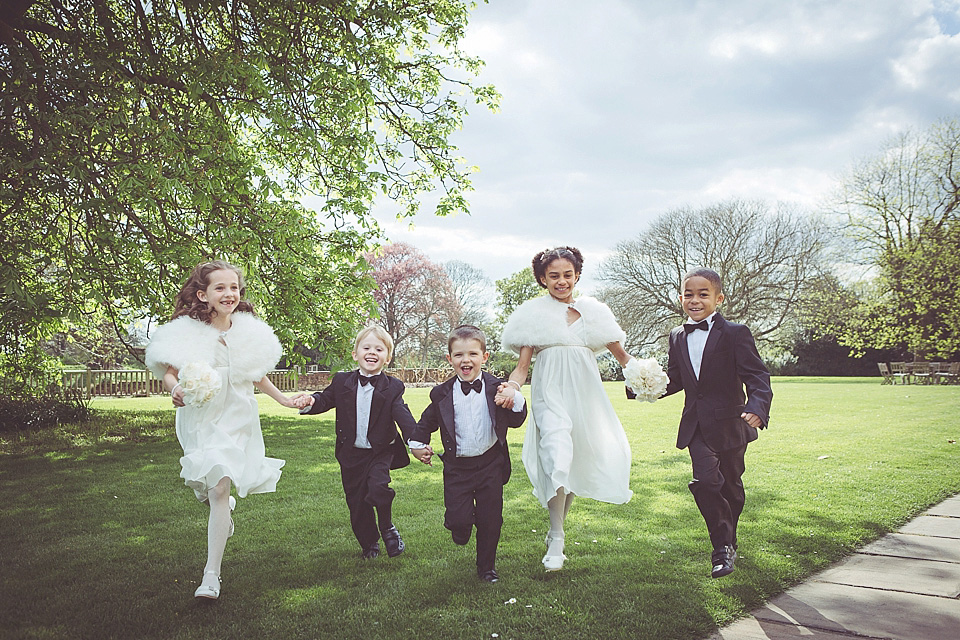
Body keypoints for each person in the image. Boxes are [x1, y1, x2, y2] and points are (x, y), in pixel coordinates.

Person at [145, 260, 296, 600]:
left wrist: (284, 399)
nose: (229, 294)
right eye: (220, 288)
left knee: (219, 488)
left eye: (234, 288)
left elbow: (257, 374)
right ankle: (220, 509)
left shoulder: (248, 331)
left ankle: (211, 575)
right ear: (203, 294)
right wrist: (175, 389)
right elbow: (170, 371)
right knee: (209, 488)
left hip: (238, 417)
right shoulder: (188, 331)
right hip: (201, 418)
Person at [497, 247, 635, 572]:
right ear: (543, 279)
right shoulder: (532, 315)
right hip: (549, 393)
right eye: (554, 276)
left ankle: (556, 528)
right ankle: (557, 537)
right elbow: (521, 367)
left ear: (577, 276)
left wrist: (647, 375)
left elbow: (624, 358)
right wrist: (513, 387)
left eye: (567, 275)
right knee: (556, 454)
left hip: (585, 396)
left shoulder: (594, 313)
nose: (562, 281)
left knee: (573, 461)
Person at [661, 268, 772, 578]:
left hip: (731, 424)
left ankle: (729, 539)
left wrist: (758, 407)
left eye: (703, 294)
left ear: (718, 298)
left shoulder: (736, 333)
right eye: (689, 294)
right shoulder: (677, 335)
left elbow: (757, 375)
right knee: (707, 483)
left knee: (732, 488)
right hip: (697, 425)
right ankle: (721, 547)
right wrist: (643, 385)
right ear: (681, 297)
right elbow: (676, 378)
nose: (694, 300)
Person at [408, 325, 528, 583]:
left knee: (491, 520)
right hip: (457, 469)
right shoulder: (441, 393)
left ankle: (487, 568)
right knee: (459, 522)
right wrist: (418, 445)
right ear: (449, 358)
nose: (466, 360)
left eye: (473, 354)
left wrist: (515, 397)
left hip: (490, 466)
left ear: (484, 357)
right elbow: (426, 423)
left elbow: (517, 420)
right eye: (459, 355)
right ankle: (460, 525)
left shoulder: (498, 388)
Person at [292, 326, 417, 560]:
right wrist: (310, 400)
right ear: (355, 354)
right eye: (366, 347)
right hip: (351, 455)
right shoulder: (342, 382)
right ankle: (369, 544)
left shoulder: (393, 387)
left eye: (379, 349)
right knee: (357, 504)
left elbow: (403, 415)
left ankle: (388, 527)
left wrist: (416, 442)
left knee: (379, 487)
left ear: (387, 358)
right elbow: (325, 399)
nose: (372, 352)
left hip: (380, 451)